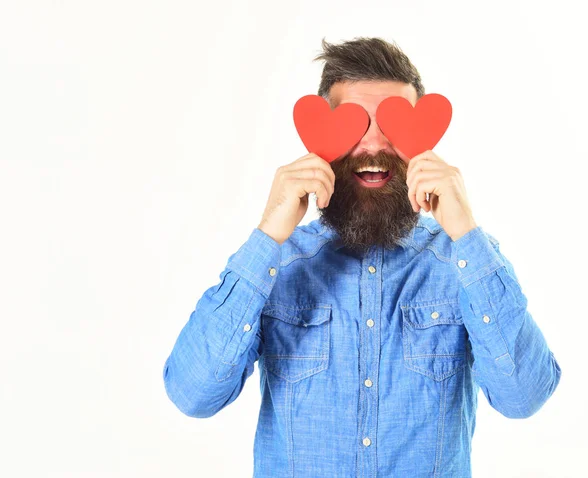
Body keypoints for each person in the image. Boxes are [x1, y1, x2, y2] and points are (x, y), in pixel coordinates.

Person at [162, 36, 561, 477]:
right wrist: (267, 235)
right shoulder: (278, 264)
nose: (373, 144)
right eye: (354, 124)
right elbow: (192, 394)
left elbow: (524, 397)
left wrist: (465, 231)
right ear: (319, 143)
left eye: (393, 125)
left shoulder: (464, 263)